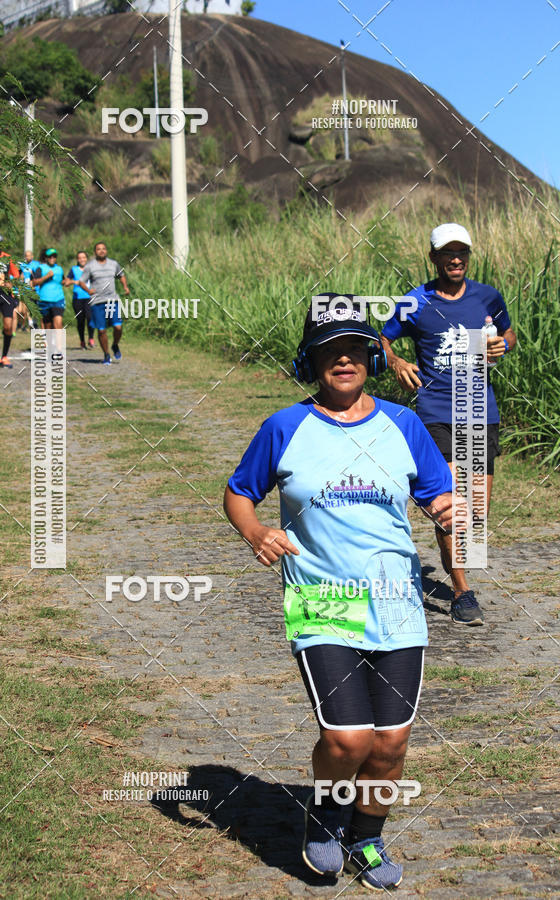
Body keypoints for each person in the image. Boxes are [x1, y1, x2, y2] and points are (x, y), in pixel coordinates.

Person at [224, 296, 461, 891]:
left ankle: (369, 839)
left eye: (354, 347)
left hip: (398, 604)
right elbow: (238, 493)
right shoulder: (285, 426)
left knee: (390, 746)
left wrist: (445, 510)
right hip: (322, 597)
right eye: (330, 350)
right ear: (313, 361)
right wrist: (256, 531)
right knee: (347, 738)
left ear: (370, 355)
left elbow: (437, 493)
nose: (344, 359)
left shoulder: (404, 425)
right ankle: (328, 820)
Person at [380, 223, 517, 626]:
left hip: (480, 411)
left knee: (475, 515)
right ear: (434, 258)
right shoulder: (415, 301)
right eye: (447, 253)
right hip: (436, 412)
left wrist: (502, 345)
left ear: (468, 257)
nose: (455, 259)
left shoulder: (487, 296)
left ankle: (459, 567)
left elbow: (508, 334)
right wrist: (398, 362)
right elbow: (379, 340)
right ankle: (462, 592)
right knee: (454, 509)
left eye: (462, 252)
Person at [77, 242, 129, 365]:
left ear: (106, 251)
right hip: (97, 302)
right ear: (95, 252)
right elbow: (81, 282)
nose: (101, 251)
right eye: (99, 249)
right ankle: (106, 354)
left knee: (118, 326)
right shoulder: (90, 266)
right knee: (101, 330)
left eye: (103, 249)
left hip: (112, 300)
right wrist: (88, 290)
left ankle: (115, 345)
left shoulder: (113, 264)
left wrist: (125, 287)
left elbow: (121, 275)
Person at [63, 250, 94, 349]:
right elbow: (66, 283)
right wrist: (73, 281)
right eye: (80, 258)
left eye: (84, 257)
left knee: (90, 318)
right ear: (77, 259)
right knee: (80, 321)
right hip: (78, 299)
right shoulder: (74, 269)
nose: (82, 259)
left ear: (86, 259)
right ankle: (82, 341)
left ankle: (91, 338)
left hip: (90, 298)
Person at [31, 248, 65, 330]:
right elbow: (34, 282)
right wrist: (47, 276)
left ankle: (60, 343)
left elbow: (63, 280)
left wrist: (67, 282)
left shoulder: (59, 269)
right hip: (44, 300)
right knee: (48, 327)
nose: (52, 258)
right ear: (46, 258)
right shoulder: (41, 268)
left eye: (54, 256)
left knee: (58, 324)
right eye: (50, 257)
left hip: (58, 299)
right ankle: (50, 343)